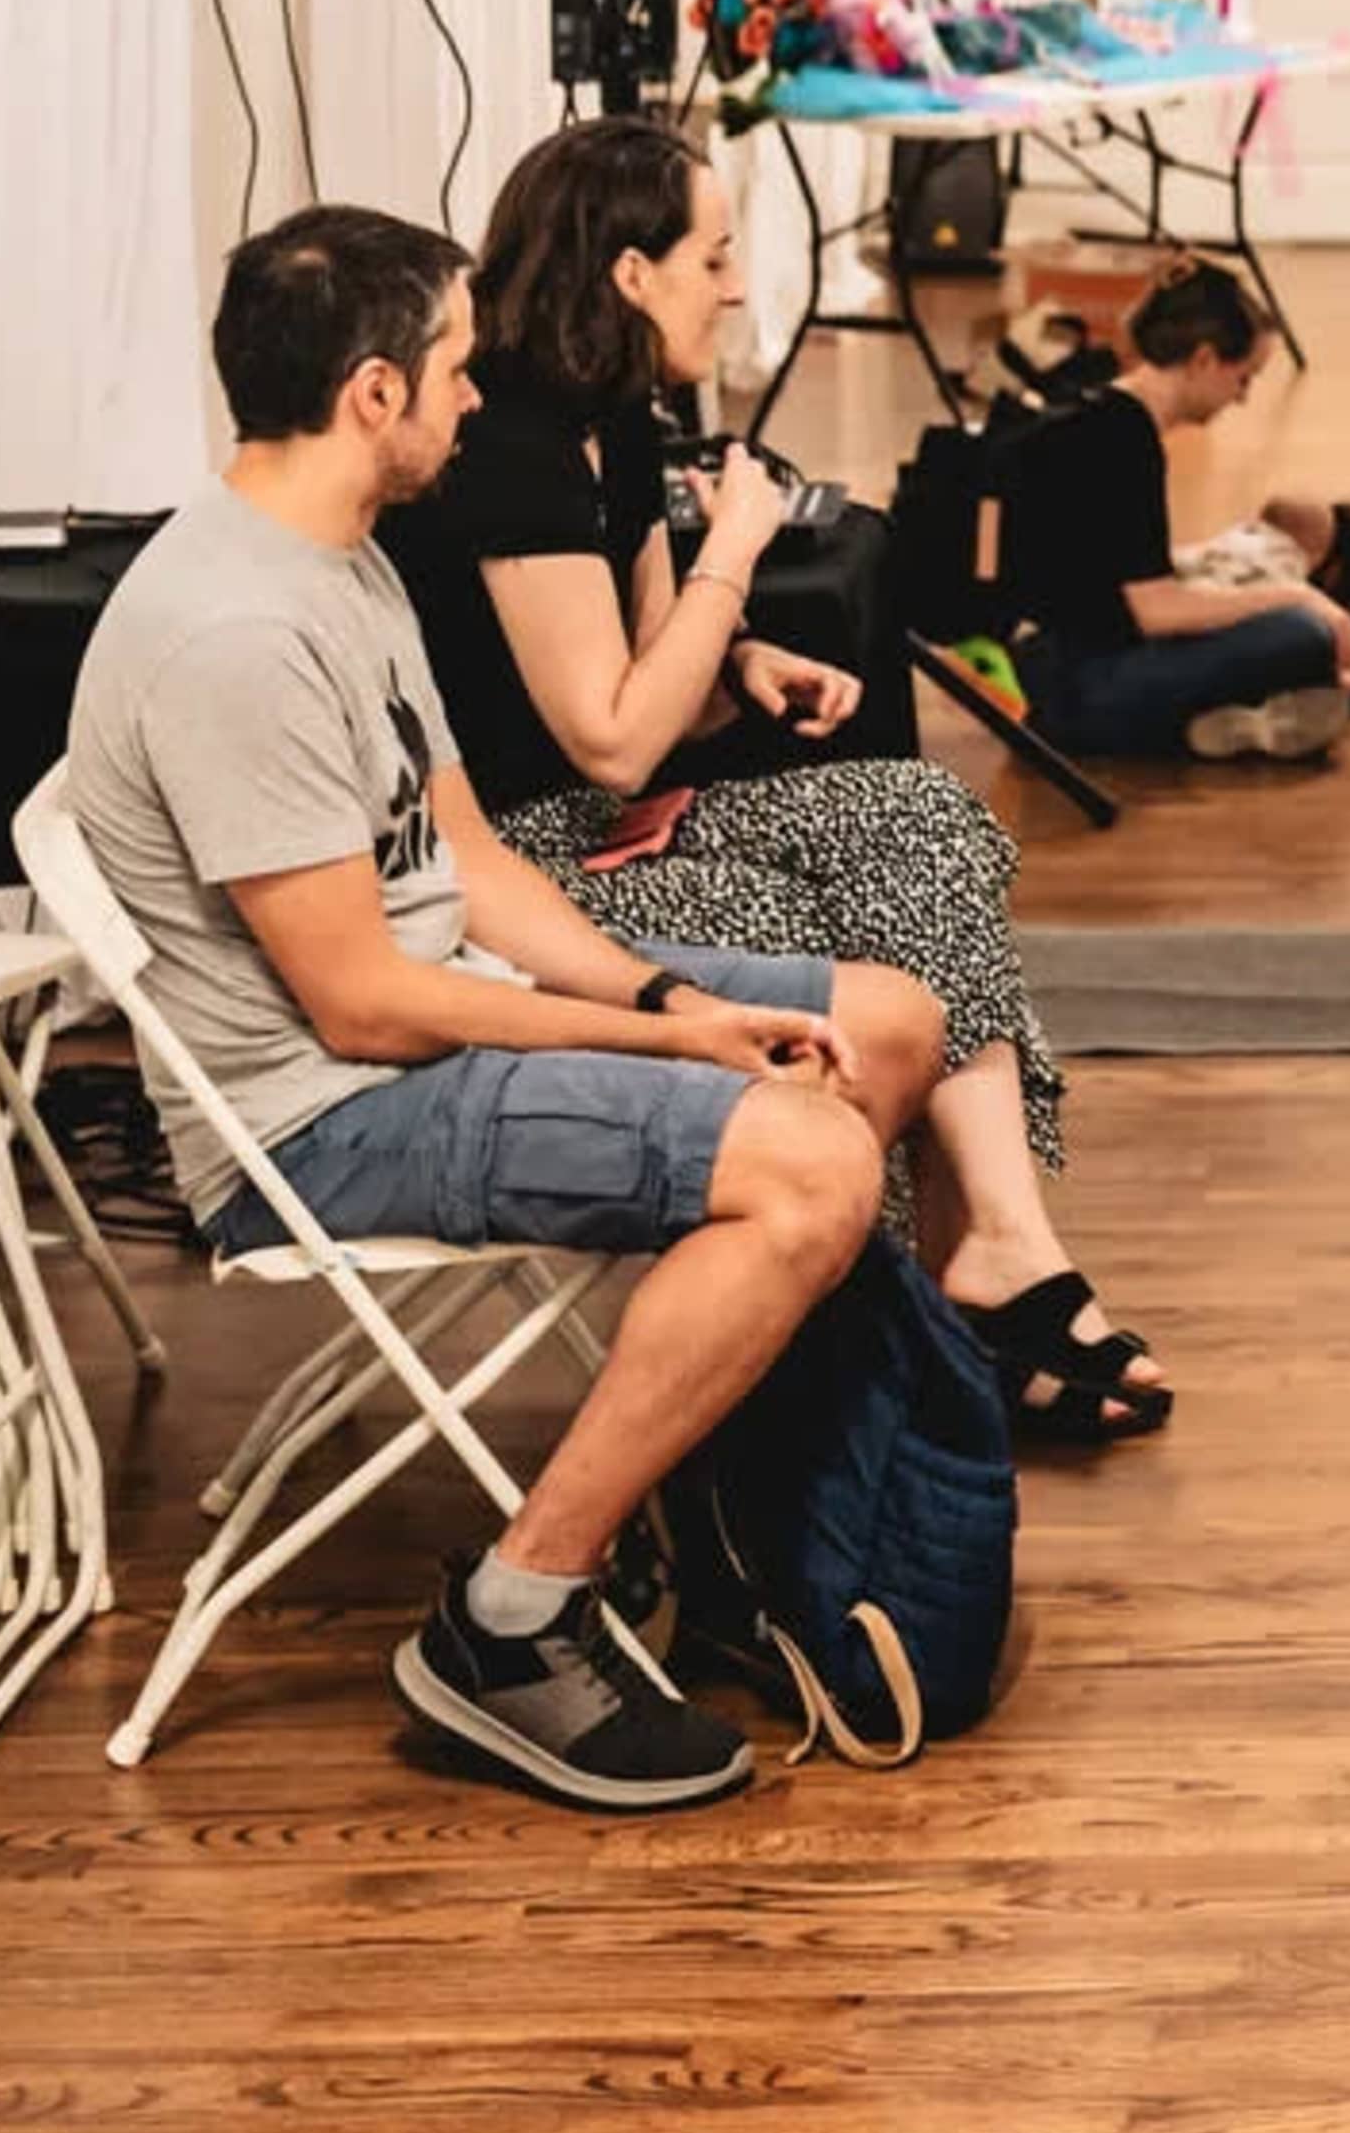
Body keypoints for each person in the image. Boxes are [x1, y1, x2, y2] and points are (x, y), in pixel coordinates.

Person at [65, 206, 945, 1811]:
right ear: (377, 394)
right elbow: (365, 1009)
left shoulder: (340, 565)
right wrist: (676, 1042)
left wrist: (669, 987)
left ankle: (734, 1492)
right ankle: (516, 1610)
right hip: (323, 1126)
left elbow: (465, 868)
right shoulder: (239, 633)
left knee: (884, 1026)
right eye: (461, 372)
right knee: (810, 1167)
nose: (484, 403)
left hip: (431, 1020)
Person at [384, 121, 1175, 1450]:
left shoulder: (611, 422)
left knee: (923, 817)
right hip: (523, 865)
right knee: (844, 935)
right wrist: (734, 560)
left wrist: (737, 656)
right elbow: (615, 741)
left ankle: (997, 1242)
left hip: (605, 816)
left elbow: (655, 688)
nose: (739, 284)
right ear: (630, 272)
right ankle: (908, 1330)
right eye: (716, 253)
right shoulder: (512, 444)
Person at [996, 261, 1350, 761]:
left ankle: (1229, 722)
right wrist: (1292, 595)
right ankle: (1226, 717)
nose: (1242, 399)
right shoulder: (1124, 439)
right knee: (1305, 636)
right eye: (1244, 378)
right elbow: (1158, 610)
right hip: (1080, 692)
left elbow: (1110, 569)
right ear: (1204, 360)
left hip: (1050, 665)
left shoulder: (1097, 405)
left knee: (1279, 626)